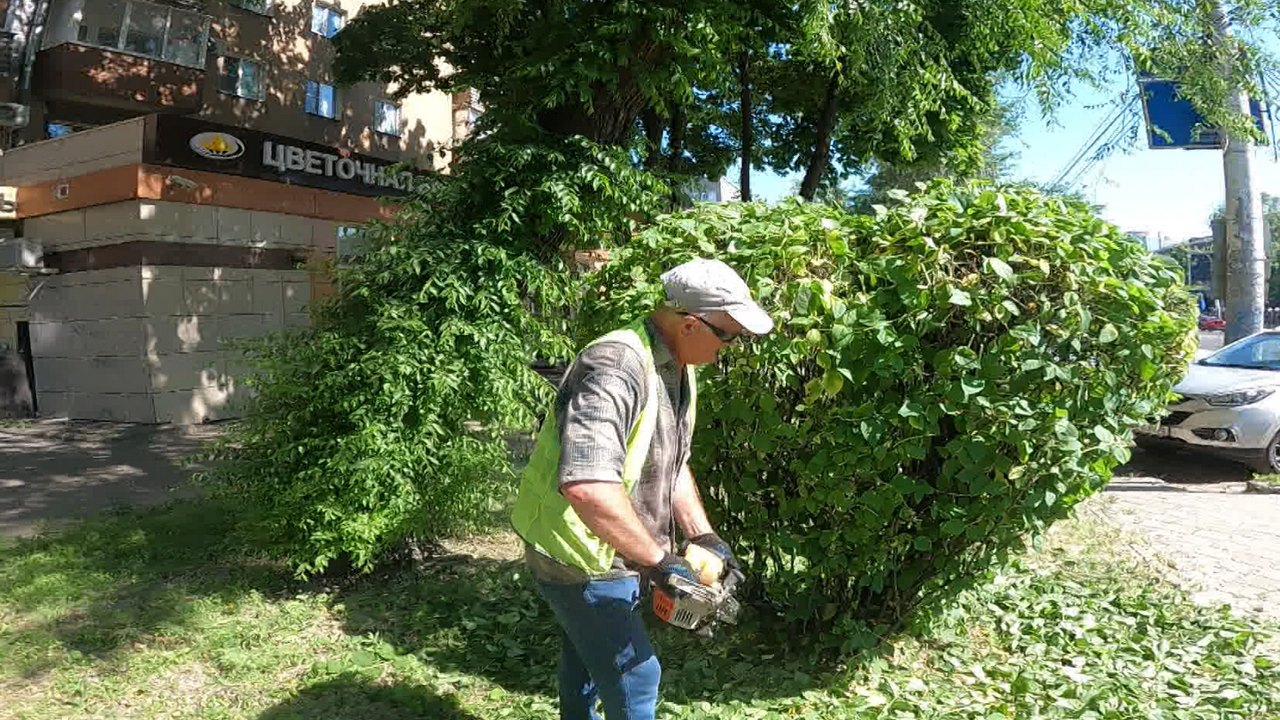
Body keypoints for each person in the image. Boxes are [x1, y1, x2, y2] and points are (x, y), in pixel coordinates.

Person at [511, 257, 774, 720]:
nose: (730, 347)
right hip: (579, 554)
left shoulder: (675, 365)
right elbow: (588, 486)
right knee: (636, 673)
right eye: (728, 335)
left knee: (587, 655)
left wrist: (703, 537)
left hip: (615, 547)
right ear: (691, 324)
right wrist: (661, 562)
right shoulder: (614, 366)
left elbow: (672, 464)